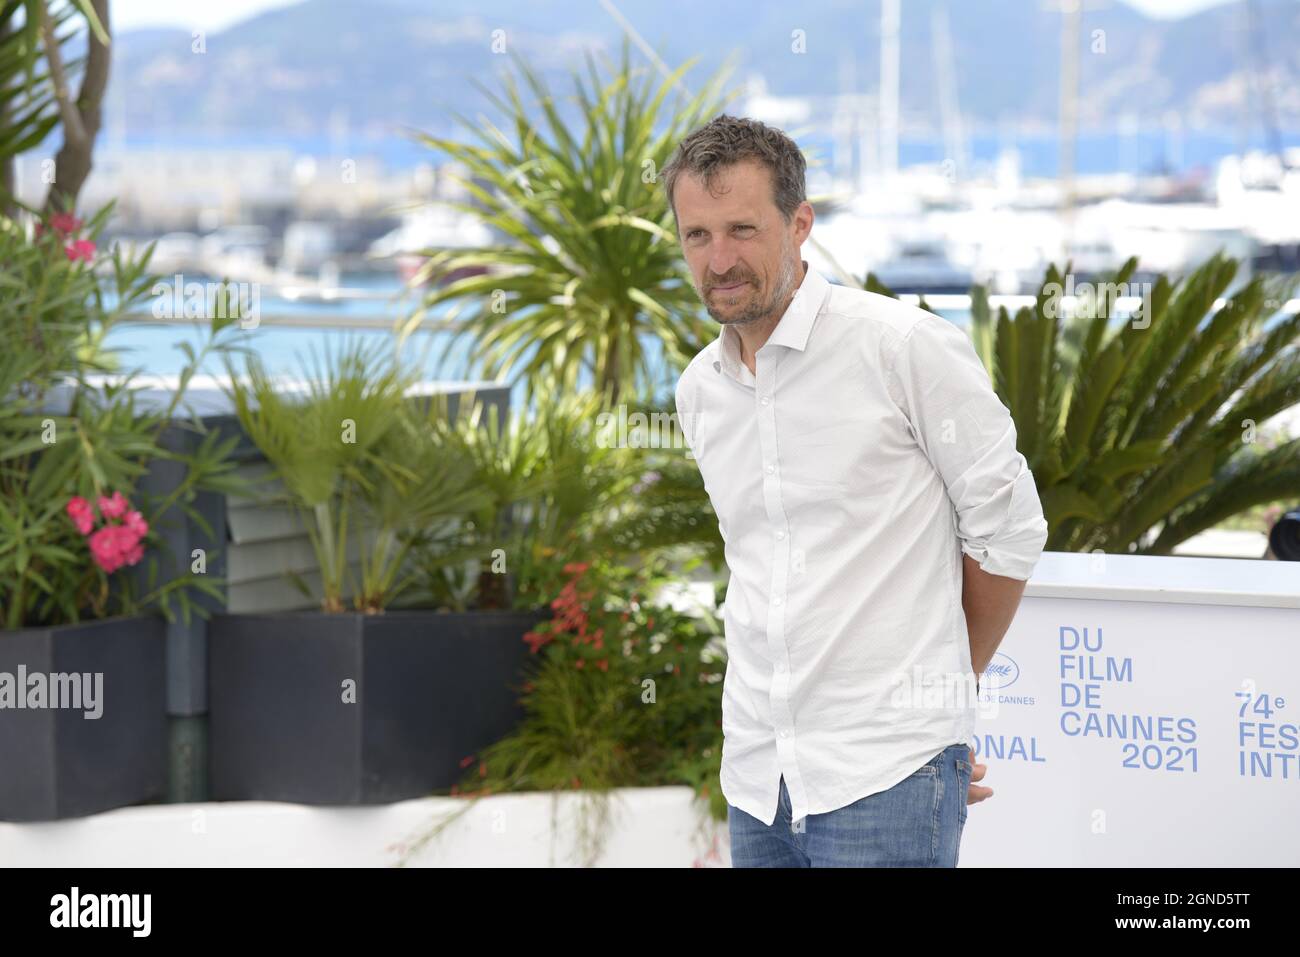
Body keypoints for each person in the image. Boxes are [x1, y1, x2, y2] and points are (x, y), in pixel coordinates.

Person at [663, 115, 1049, 867]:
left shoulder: (902, 348)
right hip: (755, 779)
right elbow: (756, 563)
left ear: (799, 223)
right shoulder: (699, 390)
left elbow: (1009, 529)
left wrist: (940, 705)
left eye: (742, 228)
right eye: (697, 235)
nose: (720, 259)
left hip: (886, 770)